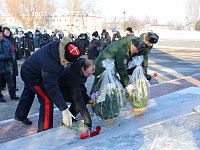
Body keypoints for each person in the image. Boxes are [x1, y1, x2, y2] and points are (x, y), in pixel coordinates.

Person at [14, 37, 81, 132]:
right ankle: (45, 130)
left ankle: (20, 115)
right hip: (31, 76)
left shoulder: (60, 47)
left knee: (28, 91)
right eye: (69, 62)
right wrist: (64, 109)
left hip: (31, 67)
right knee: (46, 100)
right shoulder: (51, 66)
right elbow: (52, 88)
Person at [58, 58, 95, 130]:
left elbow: (81, 85)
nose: (90, 76)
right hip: (62, 90)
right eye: (88, 73)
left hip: (71, 87)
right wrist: (87, 121)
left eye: (91, 74)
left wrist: (88, 99)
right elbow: (78, 99)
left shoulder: (82, 68)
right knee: (79, 102)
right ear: (82, 69)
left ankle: (71, 117)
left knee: (84, 99)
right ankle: (67, 120)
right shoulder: (73, 75)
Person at [0, 25, 19, 102]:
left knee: (11, 83)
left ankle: (13, 95)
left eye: (0, 33)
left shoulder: (7, 41)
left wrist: (12, 58)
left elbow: (12, 50)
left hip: (7, 66)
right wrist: (4, 57)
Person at [3, 27, 19, 91]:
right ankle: (3, 85)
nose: (7, 33)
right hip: (5, 59)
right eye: (6, 32)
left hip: (13, 58)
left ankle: (14, 87)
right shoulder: (2, 39)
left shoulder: (12, 39)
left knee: (13, 74)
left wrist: (17, 55)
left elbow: (15, 47)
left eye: (8, 32)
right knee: (5, 73)